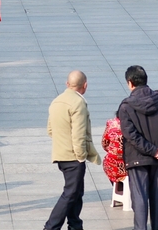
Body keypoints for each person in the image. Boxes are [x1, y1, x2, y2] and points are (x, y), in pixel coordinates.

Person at [117, 65, 158, 230]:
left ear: (130, 83)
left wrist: (153, 150)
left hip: (137, 158)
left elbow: (131, 136)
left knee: (139, 198)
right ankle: (157, 227)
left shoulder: (126, 107)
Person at [45, 70, 101, 230]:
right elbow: (79, 133)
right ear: (85, 85)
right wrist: (81, 156)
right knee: (70, 194)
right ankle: (51, 227)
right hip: (73, 157)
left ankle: (75, 225)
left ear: (67, 84)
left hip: (60, 154)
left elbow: (50, 130)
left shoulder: (56, 101)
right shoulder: (78, 103)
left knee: (76, 193)